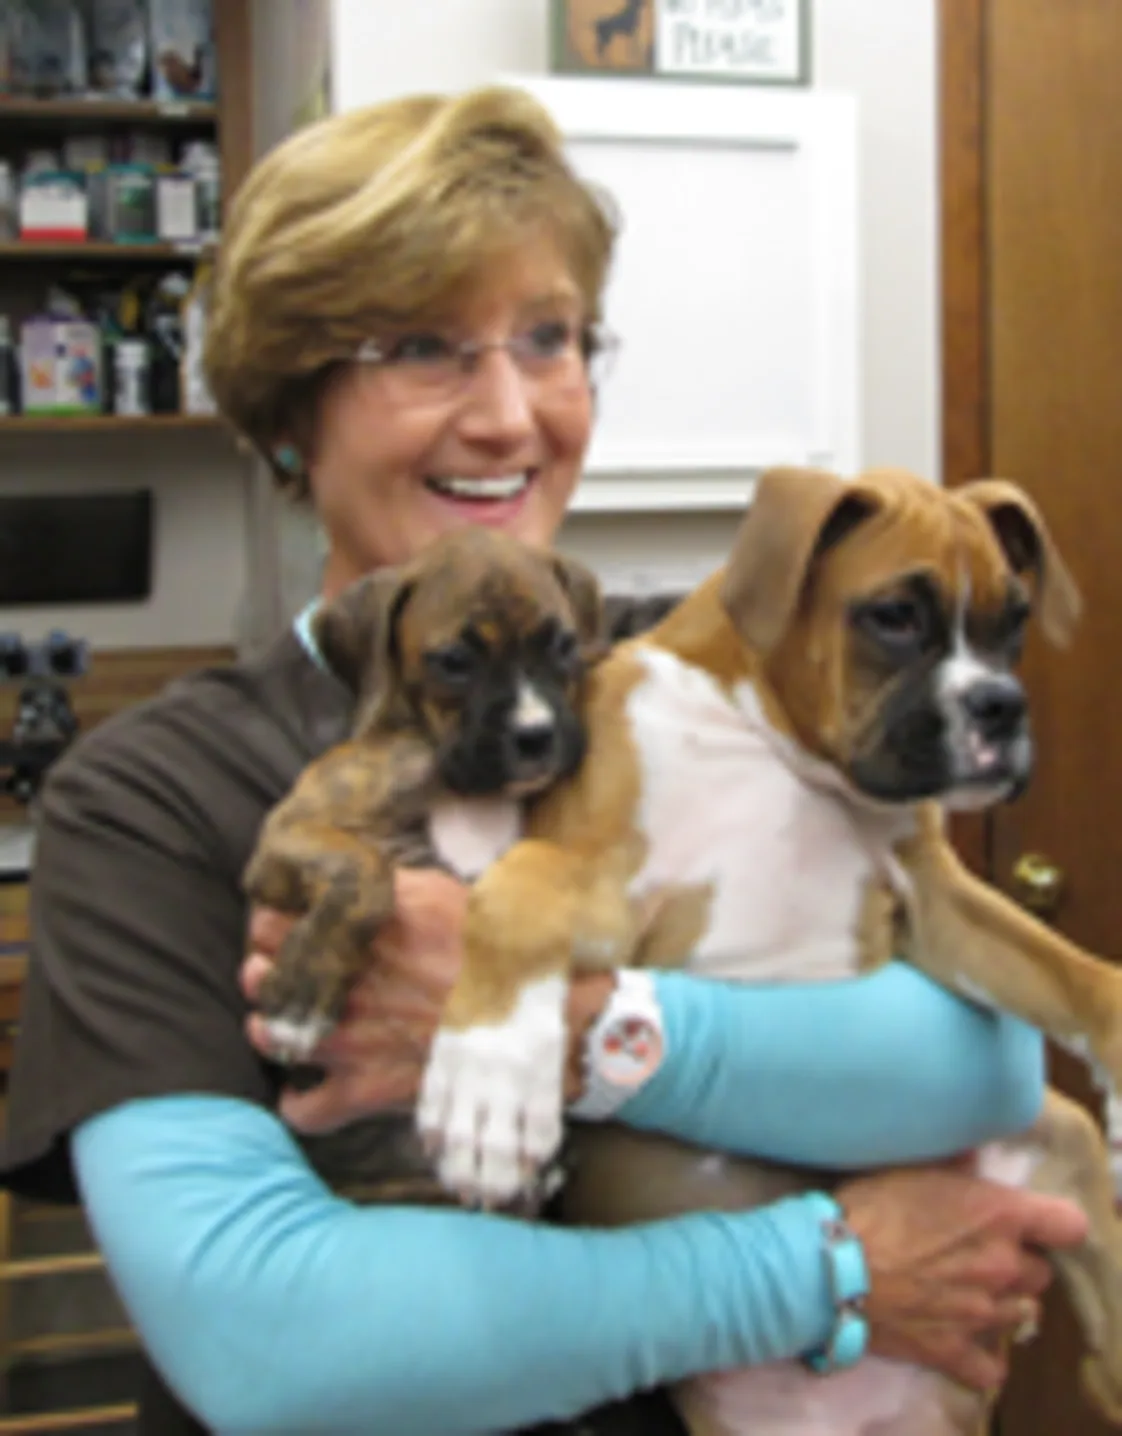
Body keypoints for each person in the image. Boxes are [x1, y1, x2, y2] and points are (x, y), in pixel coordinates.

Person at [0, 84, 1086, 1436]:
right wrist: (832, 1270)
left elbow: (976, 1068)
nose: (510, 414)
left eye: (550, 338)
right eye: (421, 348)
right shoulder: (155, 796)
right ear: (286, 409)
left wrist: (578, 1035)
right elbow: (267, 1340)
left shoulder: (686, 680)